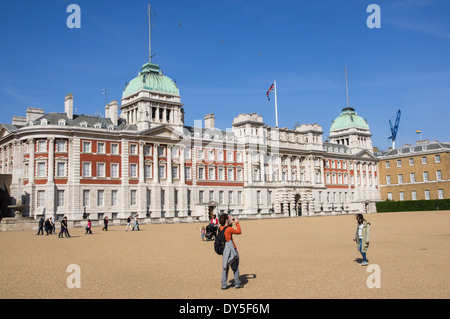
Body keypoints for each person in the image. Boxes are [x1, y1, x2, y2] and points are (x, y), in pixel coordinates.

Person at [219, 213, 242, 290]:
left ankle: (224, 284)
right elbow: (239, 231)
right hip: (232, 249)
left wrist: (230, 224)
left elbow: (226, 230)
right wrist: (237, 223)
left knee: (225, 267)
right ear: (226, 220)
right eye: (228, 218)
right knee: (235, 267)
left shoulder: (220, 228)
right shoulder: (229, 229)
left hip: (225, 250)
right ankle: (237, 283)